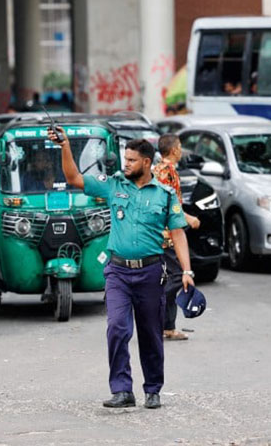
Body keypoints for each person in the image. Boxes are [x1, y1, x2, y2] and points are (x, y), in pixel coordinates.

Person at [50, 128, 194, 410]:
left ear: (146, 162)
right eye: (125, 159)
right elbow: (74, 178)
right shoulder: (114, 185)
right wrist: (65, 145)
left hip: (151, 272)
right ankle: (121, 389)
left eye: (131, 160)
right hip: (117, 272)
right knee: (117, 327)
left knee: (151, 333)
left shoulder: (164, 195)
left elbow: (178, 233)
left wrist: (187, 271)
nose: (125, 164)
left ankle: (153, 389)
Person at [153, 134, 201, 341]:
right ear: (173, 150)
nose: (181, 150)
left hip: (159, 233)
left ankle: (168, 327)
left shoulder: (158, 169)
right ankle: (155, 309)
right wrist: (189, 218)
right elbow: (170, 206)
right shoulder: (168, 171)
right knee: (175, 278)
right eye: (180, 146)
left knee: (169, 278)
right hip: (167, 235)